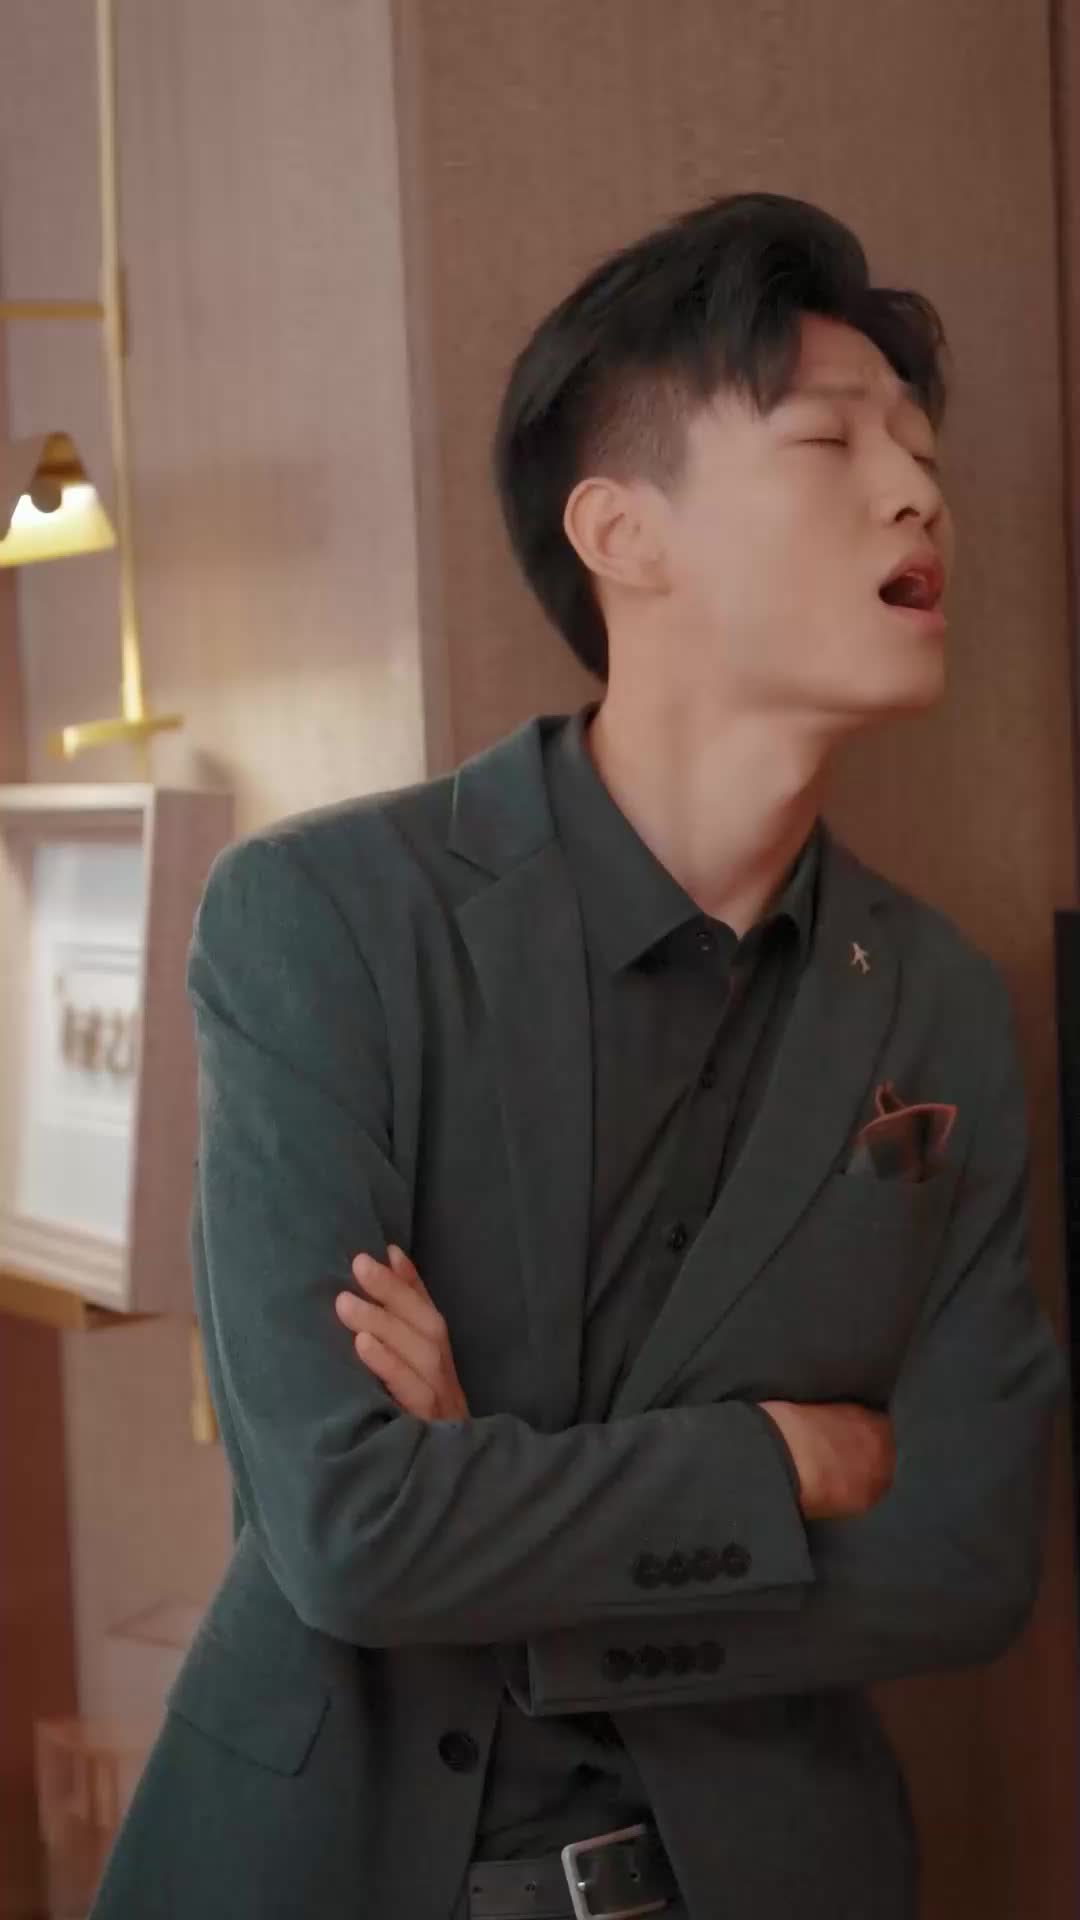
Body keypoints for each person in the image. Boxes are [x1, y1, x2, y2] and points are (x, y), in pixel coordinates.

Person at [91, 191, 1065, 1920]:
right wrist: (784, 1462)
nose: (919, 492)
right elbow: (351, 1530)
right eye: (830, 440)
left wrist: (496, 1515)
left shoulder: (935, 998)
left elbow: (965, 1560)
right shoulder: (324, 922)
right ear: (621, 532)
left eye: (921, 450)